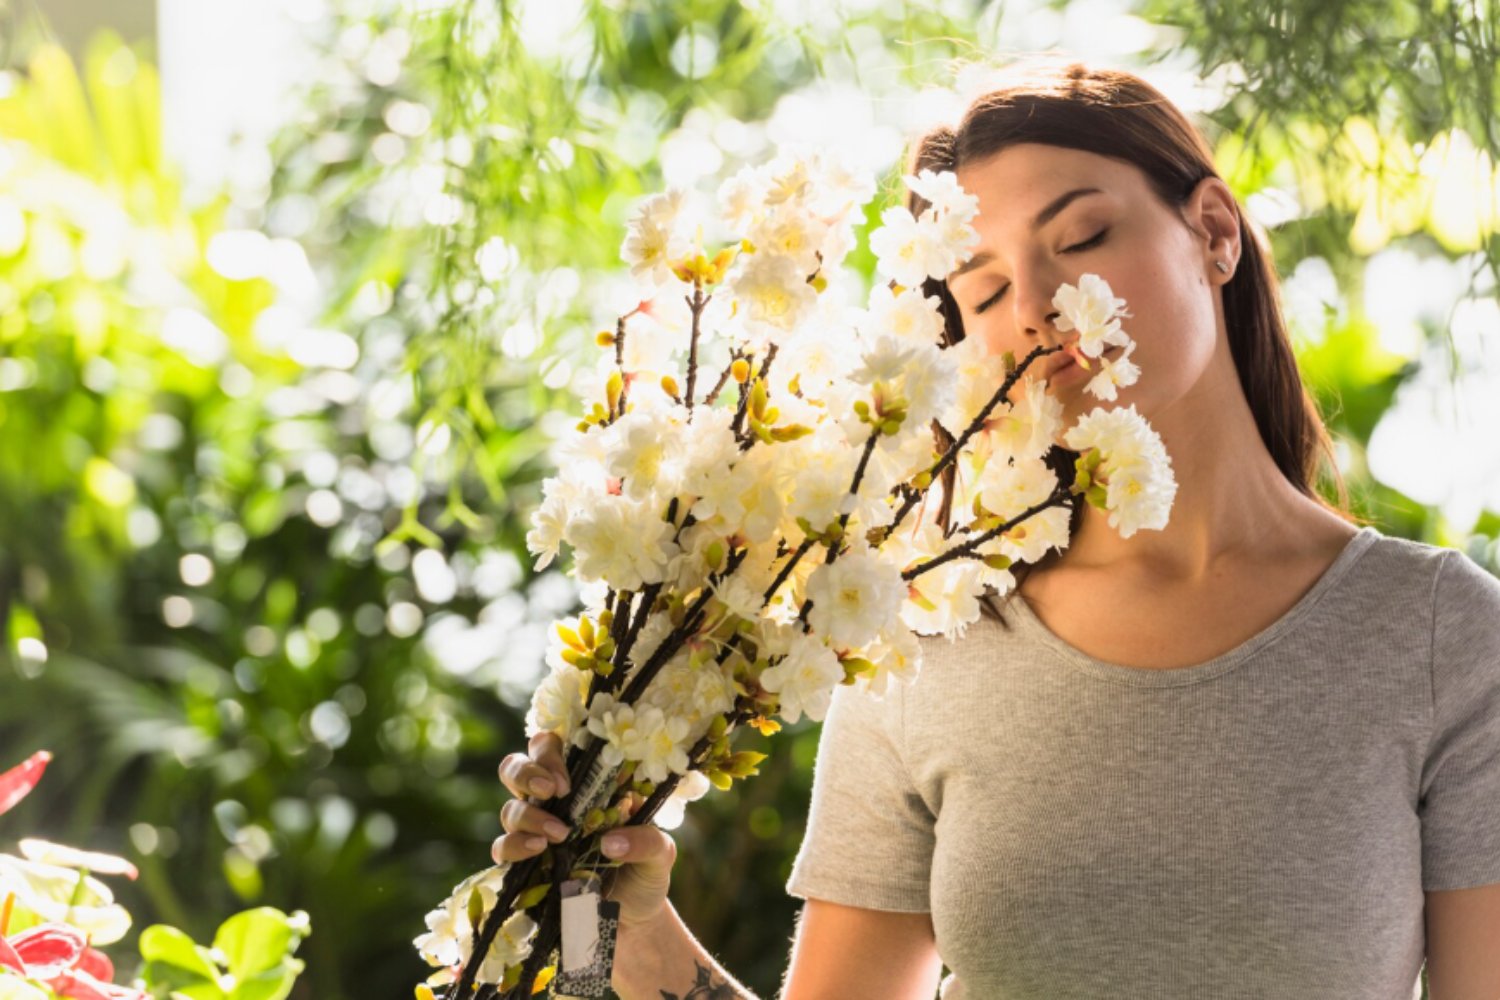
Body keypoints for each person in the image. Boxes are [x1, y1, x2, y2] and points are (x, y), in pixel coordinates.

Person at [493, 58, 1500, 999]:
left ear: (1214, 233)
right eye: (983, 288)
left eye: (1083, 238)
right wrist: (594, 907)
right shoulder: (919, 644)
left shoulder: (1438, 636)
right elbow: (605, 960)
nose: (1038, 305)